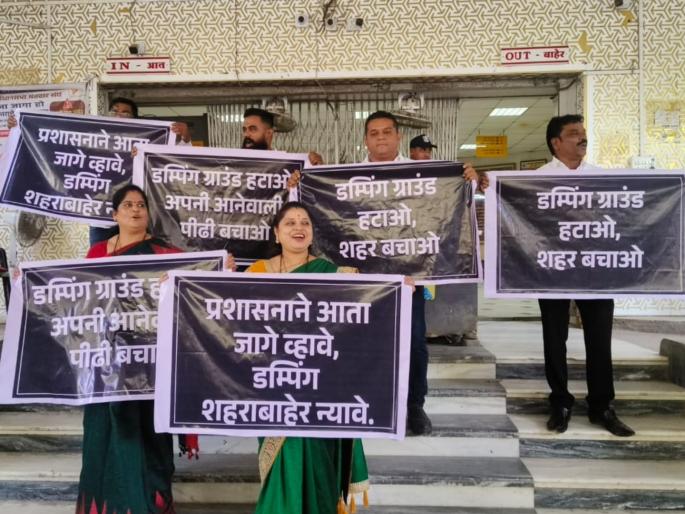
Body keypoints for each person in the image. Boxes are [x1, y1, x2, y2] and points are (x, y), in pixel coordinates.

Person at [77, 184, 194, 514]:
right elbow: (78, 298)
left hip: (150, 365)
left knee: (149, 439)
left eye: (141, 204)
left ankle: (150, 505)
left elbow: (195, 284)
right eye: (127, 205)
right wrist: (27, 280)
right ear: (115, 215)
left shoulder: (166, 255)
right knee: (106, 437)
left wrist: (220, 266)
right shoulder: (97, 253)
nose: (135, 209)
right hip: (106, 366)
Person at [363, 112, 482, 436]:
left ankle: (414, 405)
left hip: (409, 278)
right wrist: (301, 183)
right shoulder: (350, 178)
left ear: (398, 137)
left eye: (387, 131)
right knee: (368, 343)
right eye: (374, 133)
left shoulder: (421, 174)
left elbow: (447, 207)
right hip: (367, 280)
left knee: (415, 342)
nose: (381, 137)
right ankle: (372, 401)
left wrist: (468, 181)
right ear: (366, 140)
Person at [247, 201, 369, 514]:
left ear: (313, 233)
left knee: (319, 465)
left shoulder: (335, 275)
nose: (298, 228)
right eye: (290, 223)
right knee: (283, 467)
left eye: (305, 223)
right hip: (273, 385)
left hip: (320, 387)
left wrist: (399, 289)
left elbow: (367, 307)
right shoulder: (256, 273)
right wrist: (177, 287)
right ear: (276, 233)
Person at [537, 114, 634, 437]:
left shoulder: (601, 178)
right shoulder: (536, 180)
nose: (582, 138)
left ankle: (602, 406)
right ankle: (560, 403)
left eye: (583, 132)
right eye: (574, 133)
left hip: (595, 270)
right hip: (553, 270)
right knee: (554, 339)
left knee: (599, 339)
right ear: (556, 142)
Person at [241, 107, 324, 165]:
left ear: (269, 133)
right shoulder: (236, 165)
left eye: (252, 129)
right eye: (244, 129)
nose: (246, 134)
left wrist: (316, 167)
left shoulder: (286, 165)